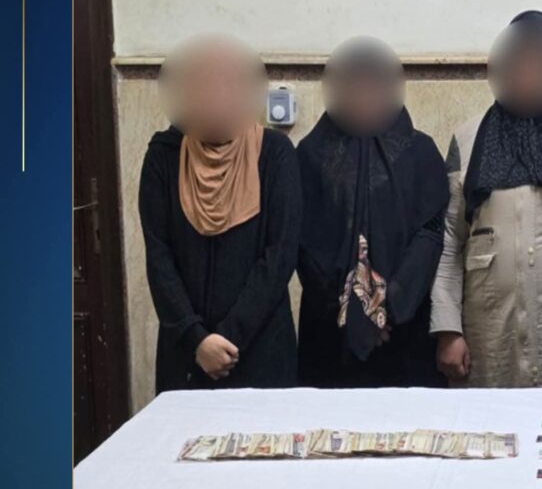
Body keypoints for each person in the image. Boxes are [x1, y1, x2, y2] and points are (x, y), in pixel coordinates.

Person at [430, 10, 542, 388]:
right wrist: (448, 330)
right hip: (488, 340)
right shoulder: (468, 139)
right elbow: (449, 242)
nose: (530, 70)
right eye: (521, 59)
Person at [139, 34, 300, 393]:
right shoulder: (164, 155)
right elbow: (159, 256)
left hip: (260, 350)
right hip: (187, 353)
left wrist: (228, 338)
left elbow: (280, 255)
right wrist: (196, 339)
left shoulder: (275, 154)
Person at [296, 37, 448, 387]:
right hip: (331, 334)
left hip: (404, 329)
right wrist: (352, 312)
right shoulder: (310, 155)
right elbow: (304, 242)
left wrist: (386, 306)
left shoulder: (420, 152)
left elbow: (429, 234)